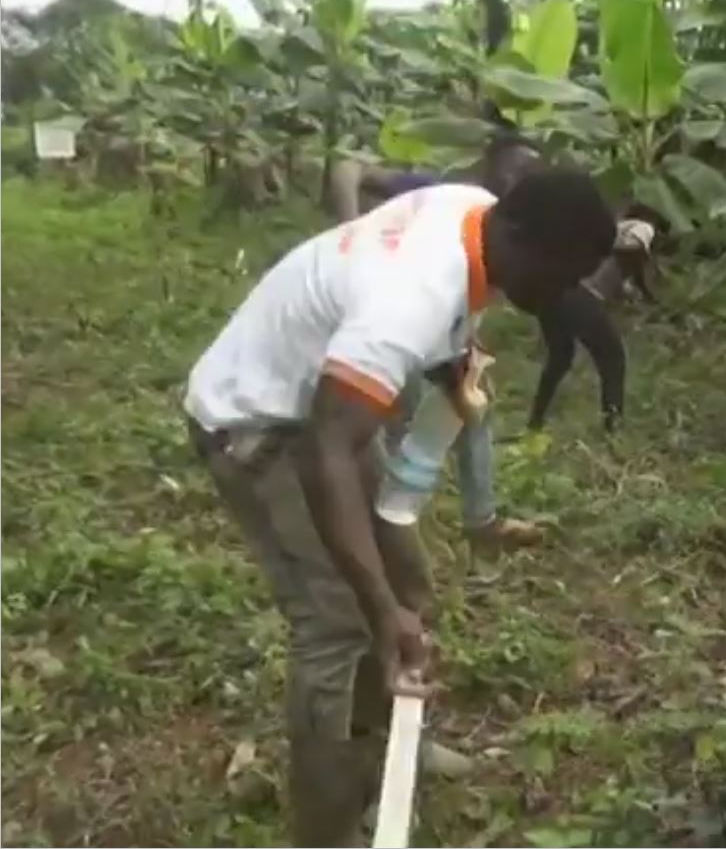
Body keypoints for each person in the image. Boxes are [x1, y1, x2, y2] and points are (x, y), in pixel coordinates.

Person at [184, 165, 614, 846]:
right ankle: (326, 830)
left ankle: (391, 737)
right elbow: (328, 449)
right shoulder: (408, 300)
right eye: (563, 274)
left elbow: (350, 420)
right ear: (523, 238)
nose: (567, 293)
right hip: (258, 426)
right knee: (337, 622)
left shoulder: (478, 212)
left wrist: (455, 370)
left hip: (328, 407)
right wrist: (377, 610)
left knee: (406, 579)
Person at [329, 135, 545, 553]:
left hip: (432, 328)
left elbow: (463, 302)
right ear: (489, 168)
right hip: (384, 316)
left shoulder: (503, 233)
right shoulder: (438, 195)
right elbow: (346, 168)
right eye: (513, 170)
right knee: (398, 414)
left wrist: (467, 360)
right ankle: (386, 528)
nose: (518, 181)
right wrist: (350, 229)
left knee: (472, 409)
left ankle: (481, 523)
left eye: (528, 175)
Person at [528, 202, 669, 432]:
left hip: (552, 293)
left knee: (560, 358)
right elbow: (632, 249)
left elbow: (620, 267)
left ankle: (535, 421)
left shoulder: (610, 228)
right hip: (580, 294)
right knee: (613, 357)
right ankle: (613, 425)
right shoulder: (643, 226)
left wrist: (642, 293)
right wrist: (645, 283)